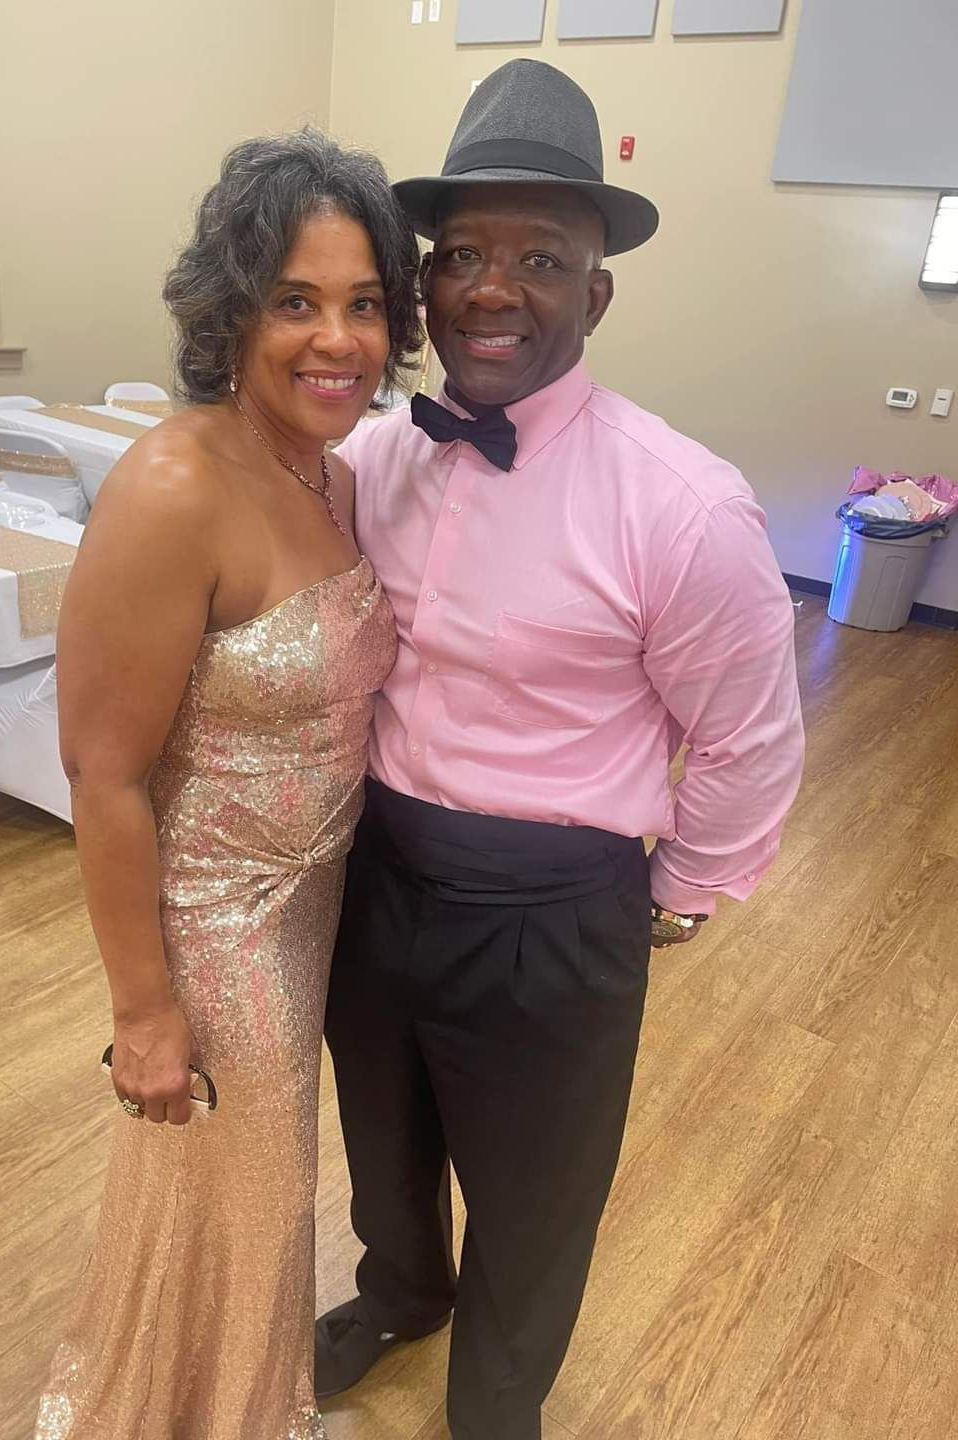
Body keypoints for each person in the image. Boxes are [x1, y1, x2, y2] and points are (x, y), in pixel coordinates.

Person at [316, 59, 805, 1440]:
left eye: (541, 256)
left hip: (551, 902)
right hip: (377, 864)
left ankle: (497, 1411)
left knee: (533, 1195)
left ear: (595, 295)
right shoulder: (380, 459)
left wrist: (675, 889)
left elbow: (750, 739)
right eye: (461, 253)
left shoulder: (685, 508)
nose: (490, 286)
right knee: (385, 1135)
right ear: (422, 285)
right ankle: (402, 1293)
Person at [35, 129, 421, 1440]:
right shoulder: (171, 488)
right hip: (213, 937)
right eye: (296, 300)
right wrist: (144, 1013)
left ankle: (233, 1403)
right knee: (244, 1198)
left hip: (313, 908)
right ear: (231, 307)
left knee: (252, 1202)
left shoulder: (338, 473)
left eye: (366, 303)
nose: (339, 339)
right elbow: (102, 772)